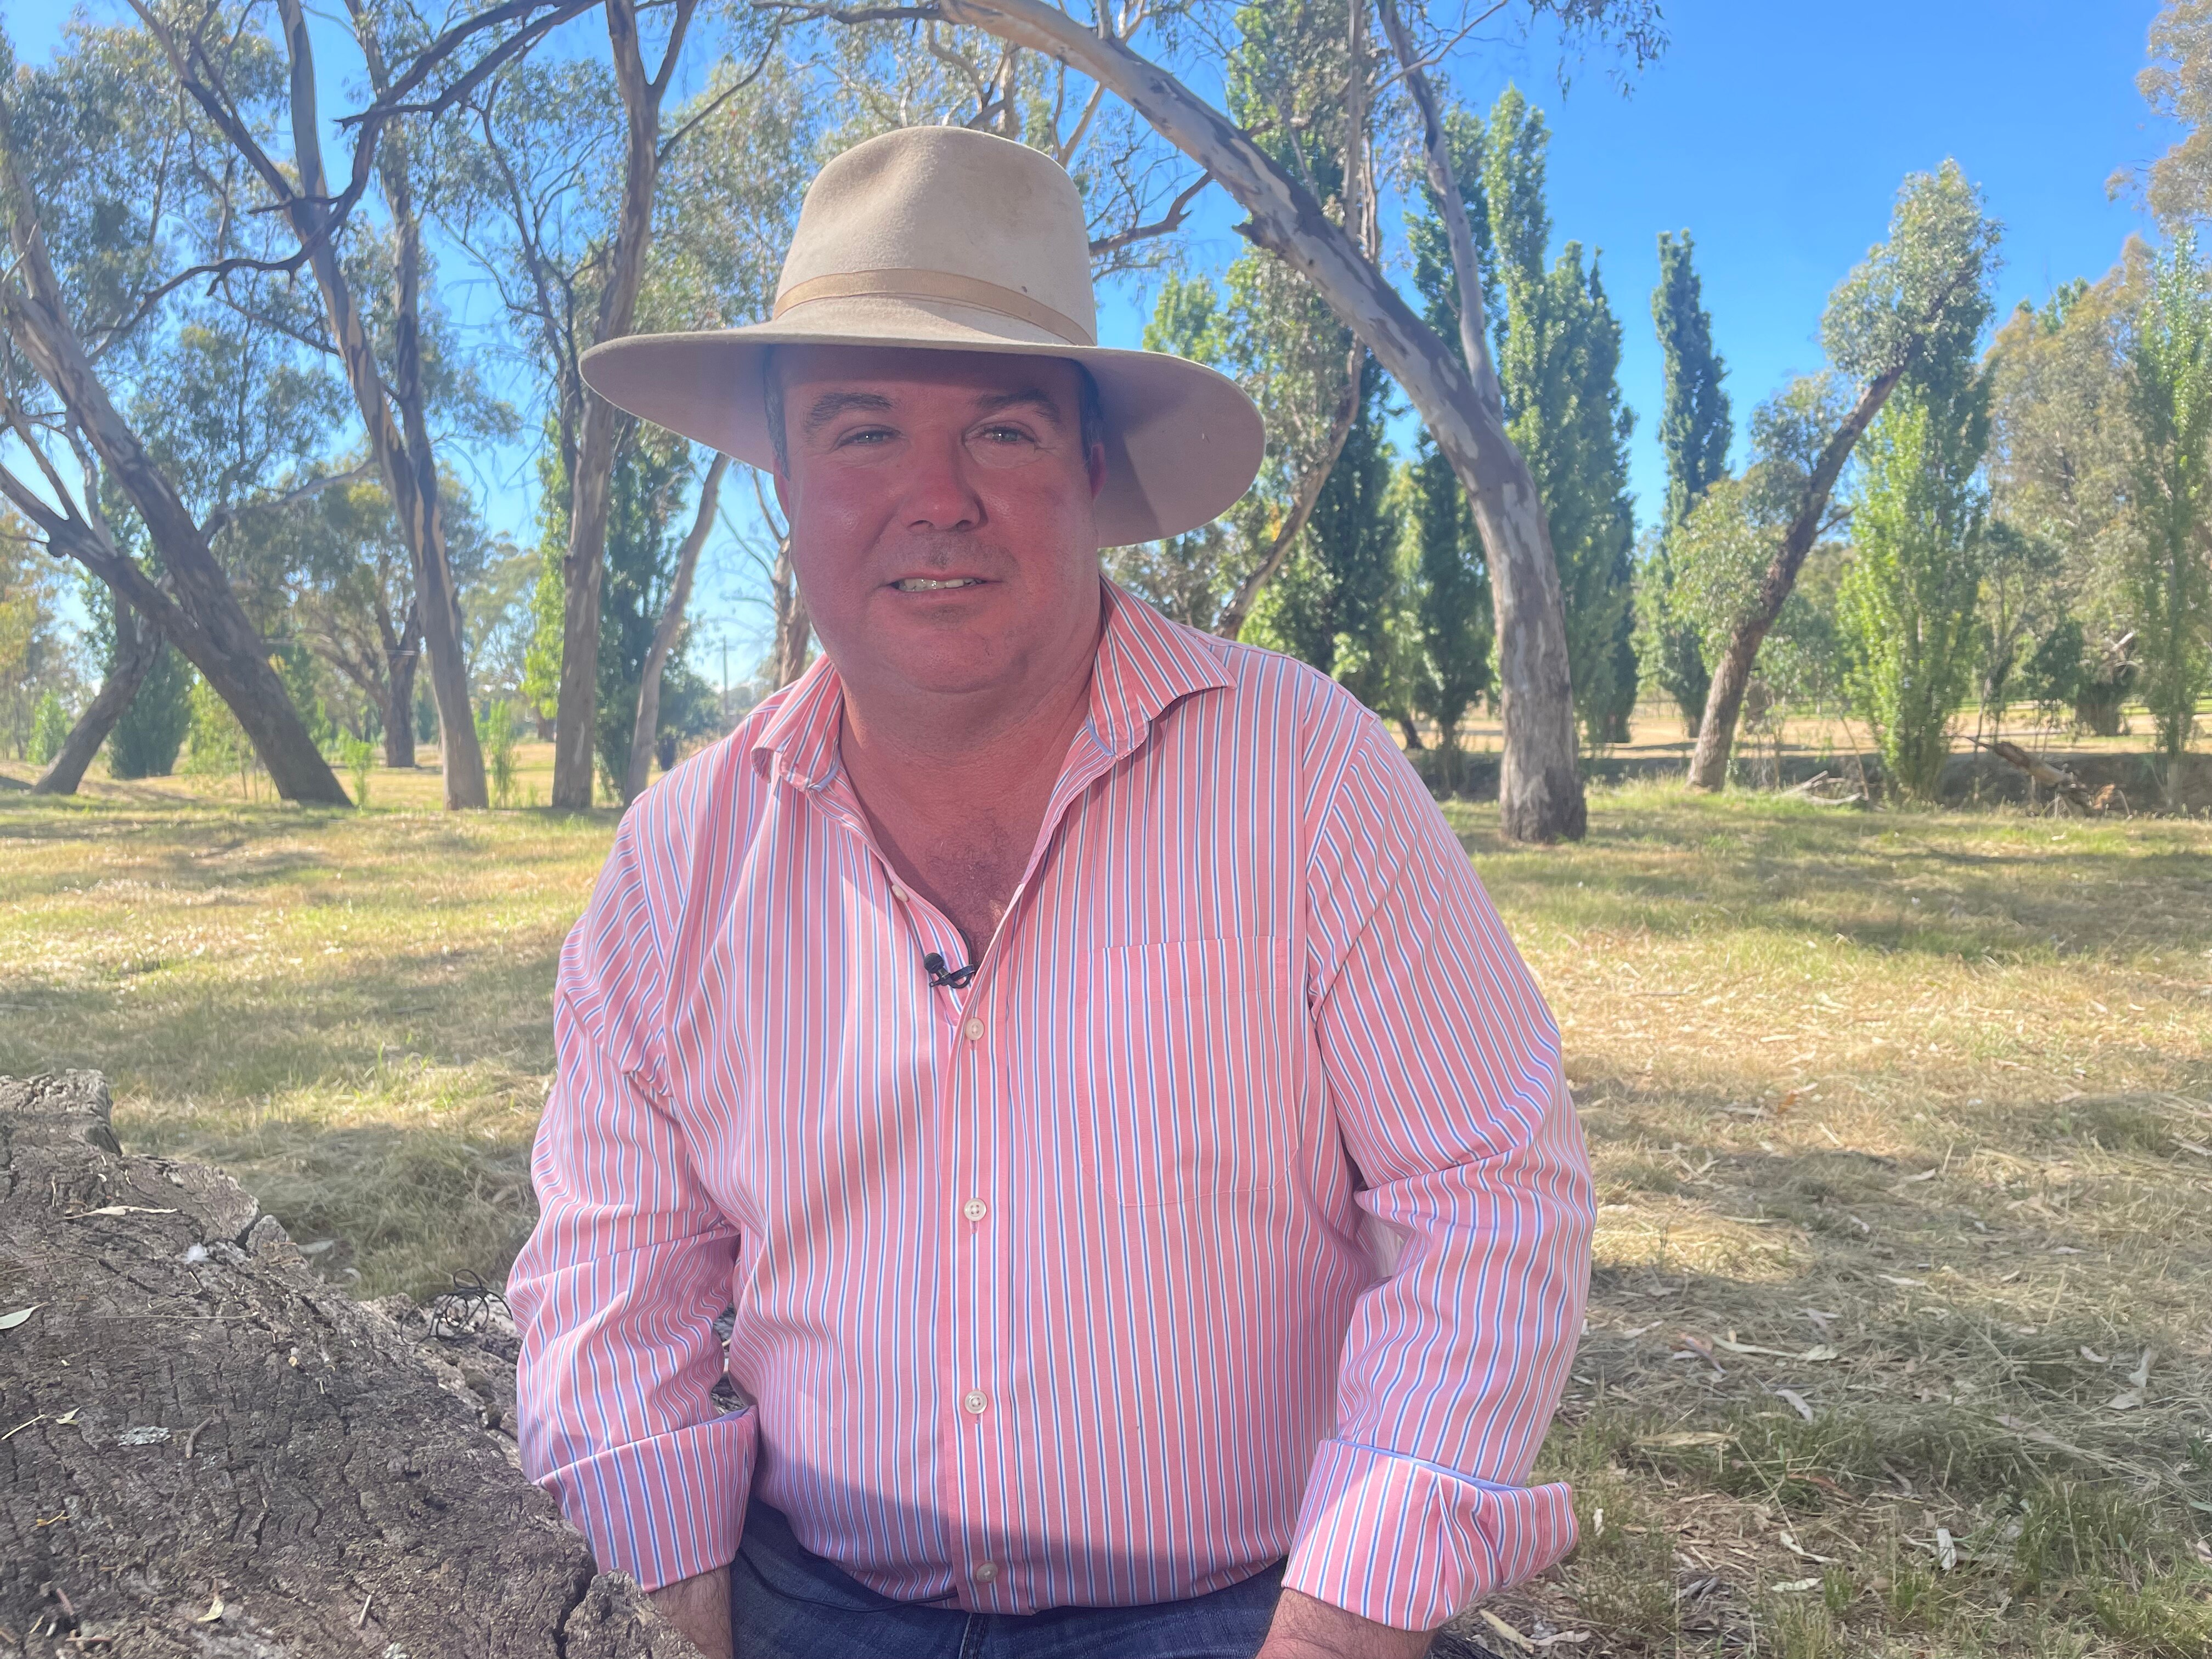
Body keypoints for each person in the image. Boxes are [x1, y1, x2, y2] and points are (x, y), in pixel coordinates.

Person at [506, 125, 1594, 1659]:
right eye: (863, 433)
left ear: (1090, 469)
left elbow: (1489, 1194)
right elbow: (616, 1274)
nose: (935, 499)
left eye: (1003, 434)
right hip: (811, 1601)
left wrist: (1351, 1614)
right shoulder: (679, 860)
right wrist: (677, 1616)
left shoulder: (1308, 777)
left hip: (1254, 1610)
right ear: (784, 481)